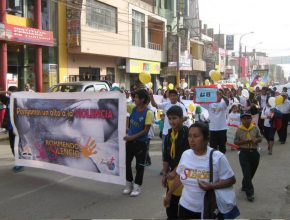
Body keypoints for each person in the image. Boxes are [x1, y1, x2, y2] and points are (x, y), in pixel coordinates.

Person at [163, 122, 236, 219]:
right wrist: (169, 194)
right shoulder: (186, 154)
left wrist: (212, 186)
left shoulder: (217, 157)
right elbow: (181, 177)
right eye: (189, 136)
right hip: (185, 206)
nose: (191, 140)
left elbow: (231, 180)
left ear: (206, 139)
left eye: (196, 136)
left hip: (207, 208)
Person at [123, 89, 153, 197]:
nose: (134, 99)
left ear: (142, 99)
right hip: (130, 142)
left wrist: (131, 138)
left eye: (136, 97)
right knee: (126, 163)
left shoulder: (149, 112)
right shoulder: (132, 108)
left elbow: (145, 131)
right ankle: (129, 183)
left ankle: (137, 186)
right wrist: (122, 96)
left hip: (141, 143)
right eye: (134, 97)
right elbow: (120, 103)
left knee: (139, 166)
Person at [162, 106, 189, 219]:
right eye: (170, 118)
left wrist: (174, 172)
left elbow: (187, 157)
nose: (172, 121)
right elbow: (166, 157)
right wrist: (164, 174)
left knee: (184, 204)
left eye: (175, 118)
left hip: (185, 173)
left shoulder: (188, 134)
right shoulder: (169, 136)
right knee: (171, 205)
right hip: (172, 173)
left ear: (182, 119)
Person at [234, 112, 262, 202]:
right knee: (247, 172)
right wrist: (244, 141)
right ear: (241, 120)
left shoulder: (255, 127)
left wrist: (256, 140)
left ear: (251, 119)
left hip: (254, 152)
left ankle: (244, 185)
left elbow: (260, 138)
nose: (246, 120)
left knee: (251, 172)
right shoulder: (239, 130)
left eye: (248, 118)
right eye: (244, 119)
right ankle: (250, 194)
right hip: (244, 153)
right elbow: (235, 142)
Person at [0, 86, 24, 172]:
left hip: (18, 128)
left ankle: (20, 163)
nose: (11, 94)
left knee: (16, 146)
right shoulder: (8, 100)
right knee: (12, 146)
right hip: (10, 128)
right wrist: (5, 91)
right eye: (10, 93)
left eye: (13, 92)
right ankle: (19, 162)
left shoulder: (20, 102)